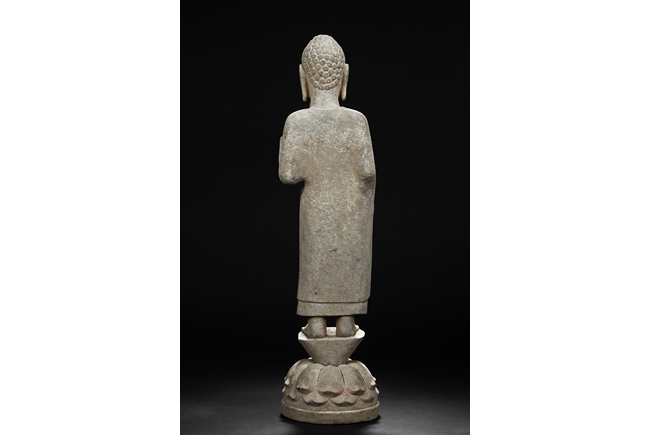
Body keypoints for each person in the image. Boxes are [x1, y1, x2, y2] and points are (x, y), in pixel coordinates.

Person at [279, 35, 376, 338]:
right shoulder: (357, 121)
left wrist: (285, 145)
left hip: (316, 209)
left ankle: (316, 322)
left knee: (317, 260)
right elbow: (368, 172)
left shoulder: (297, 122)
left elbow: (288, 174)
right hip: (351, 212)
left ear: (303, 77)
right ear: (344, 76)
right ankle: (347, 320)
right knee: (347, 260)